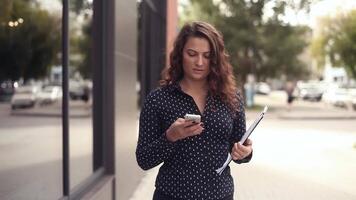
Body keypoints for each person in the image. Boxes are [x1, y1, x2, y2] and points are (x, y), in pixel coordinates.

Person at [136, 21, 253, 200]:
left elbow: (238, 149)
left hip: (220, 195)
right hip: (172, 195)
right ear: (180, 54)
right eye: (192, 54)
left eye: (207, 56)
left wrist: (245, 153)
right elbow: (144, 160)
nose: (199, 62)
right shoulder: (158, 99)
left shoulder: (231, 98)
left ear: (215, 59)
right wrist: (171, 137)